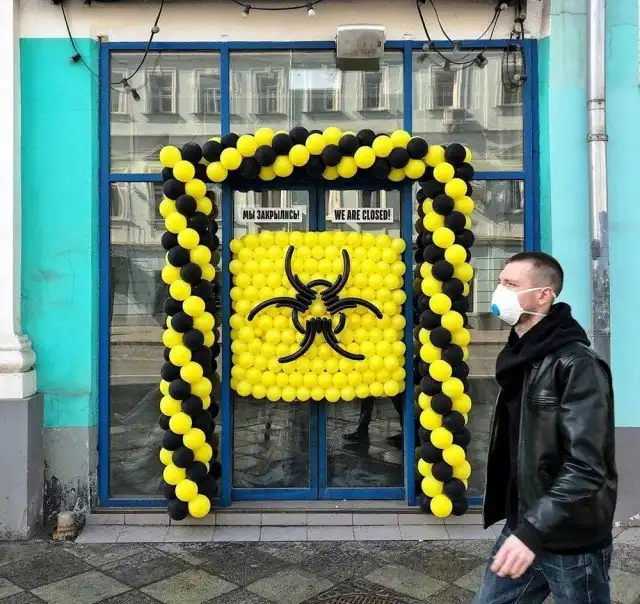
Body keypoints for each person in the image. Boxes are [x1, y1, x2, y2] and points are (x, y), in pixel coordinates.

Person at [474, 251, 617, 604]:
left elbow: (587, 466)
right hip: (525, 524)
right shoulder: (523, 355)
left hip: (570, 540)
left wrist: (532, 532)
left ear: (543, 295)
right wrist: (526, 528)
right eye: (500, 282)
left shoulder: (577, 364)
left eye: (511, 284)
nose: (499, 291)